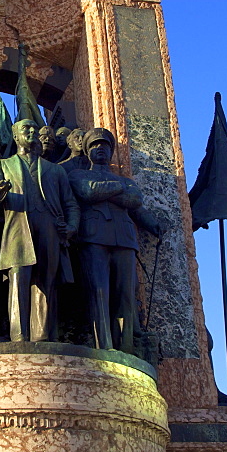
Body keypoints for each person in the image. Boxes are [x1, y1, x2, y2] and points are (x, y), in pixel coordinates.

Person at [0, 119, 79, 343]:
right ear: (15, 136)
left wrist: (72, 227)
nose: (32, 131)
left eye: (34, 128)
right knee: (18, 280)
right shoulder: (1, 165)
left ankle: (42, 336)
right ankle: (19, 336)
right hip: (17, 227)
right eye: (26, 128)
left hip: (49, 227)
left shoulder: (54, 170)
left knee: (46, 282)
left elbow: (70, 203)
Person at [68, 128, 161, 353]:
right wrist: (119, 189)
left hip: (124, 240)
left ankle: (125, 347)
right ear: (87, 151)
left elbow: (135, 200)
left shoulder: (124, 180)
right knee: (98, 293)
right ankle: (104, 347)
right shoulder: (78, 175)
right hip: (94, 238)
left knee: (126, 295)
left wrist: (107, 190)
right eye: (94, 146)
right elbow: (87, 192)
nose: (100, 149)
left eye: (105, 146)